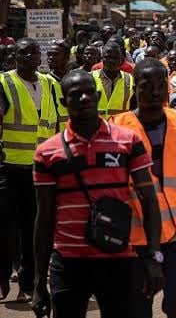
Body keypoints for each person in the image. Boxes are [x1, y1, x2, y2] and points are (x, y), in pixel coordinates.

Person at [30, 70, 163, 318]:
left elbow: (149, 201)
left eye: (89, 92)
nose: (84, 98)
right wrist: (39, 281)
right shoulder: (47, 153)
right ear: (63, 102)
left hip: (117, 258)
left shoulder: (128, 141)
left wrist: (153, 256)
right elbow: (44, 217)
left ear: (98, 95)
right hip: (68, 261)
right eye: (75, 94)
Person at [111, 59, 176, 318]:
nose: (156, 93)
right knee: (139, 307)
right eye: (148, 86)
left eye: (162, 86)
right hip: (135, 236)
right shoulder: (116, 127)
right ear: (135, 87)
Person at [0, 39, 62, 302]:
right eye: (22, 52)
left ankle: (29, 284)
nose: (27, 56)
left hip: (41, 169)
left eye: (32, 52)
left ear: (40, 57)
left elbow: (62, 121)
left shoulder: (50, 83)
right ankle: (2, 275)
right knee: (5, 226)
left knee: (33, 228)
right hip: (8, 166)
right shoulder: (3, 82)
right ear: (14, 57)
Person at [93, 41, 134, 118]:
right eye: (108, 57)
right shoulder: (90, 78)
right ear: (102, 59)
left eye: (115, 58)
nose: (111, 61)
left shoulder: (130, 80)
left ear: (121, 60)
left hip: (121, 127)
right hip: (96, 128)